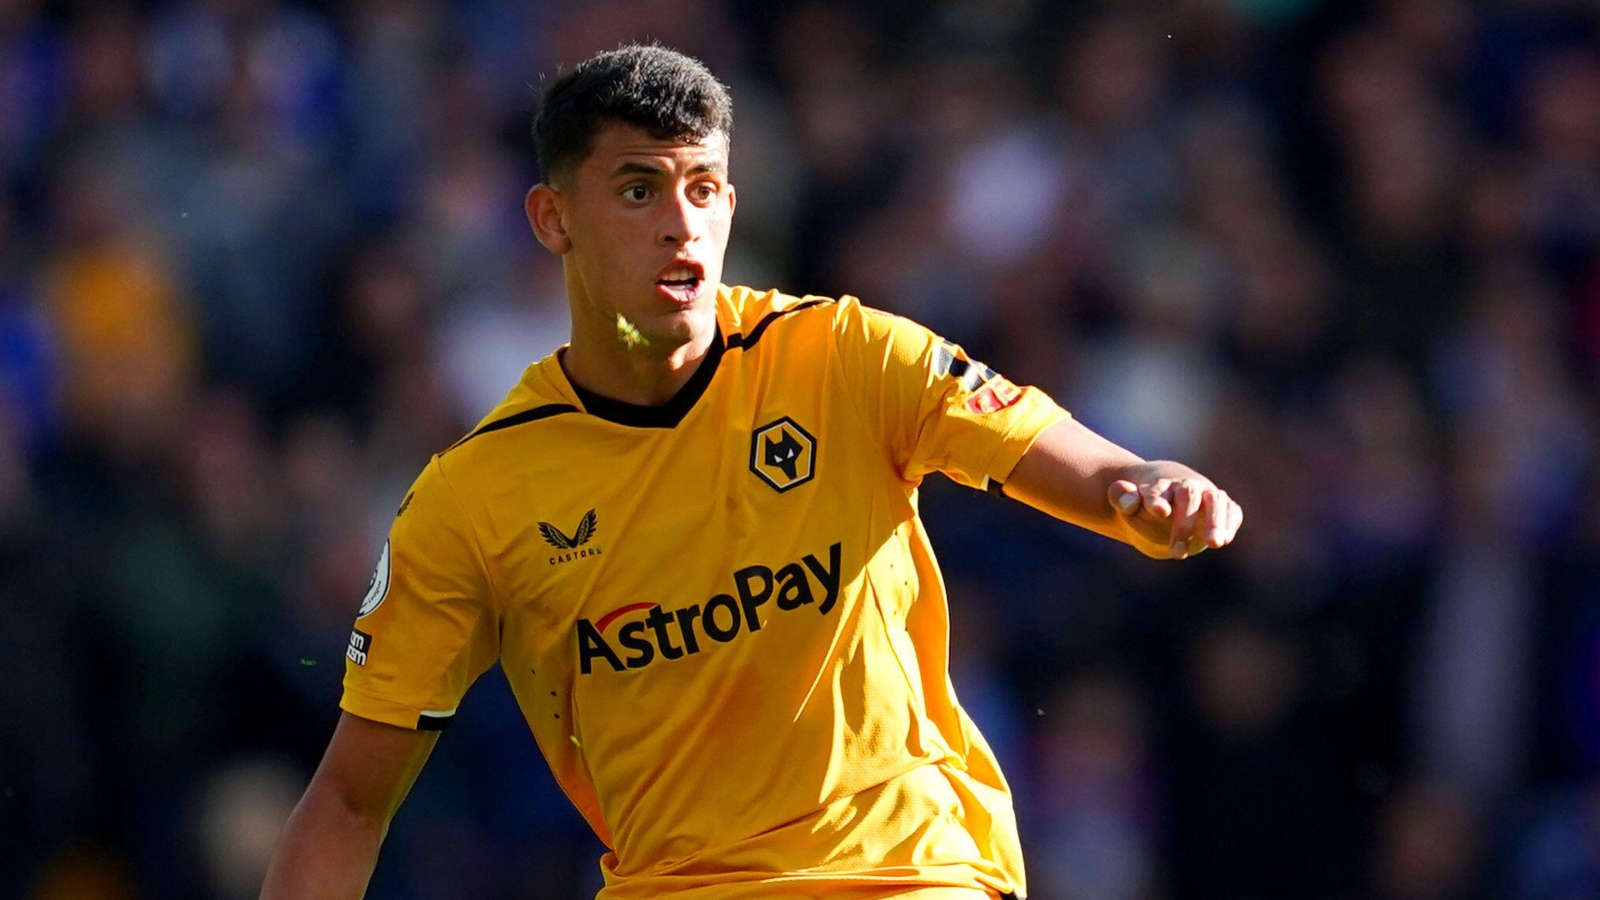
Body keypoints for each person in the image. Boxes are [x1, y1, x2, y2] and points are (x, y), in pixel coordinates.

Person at [260, 43, 1242, 900]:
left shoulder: (849, 359)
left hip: (903, 873)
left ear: (730, 202)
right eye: (639, 189)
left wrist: (1142, 488)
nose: (680, 224)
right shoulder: (476, 500)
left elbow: (1074, 461)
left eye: (701, 189)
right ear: (553, 219)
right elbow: (350, 800)